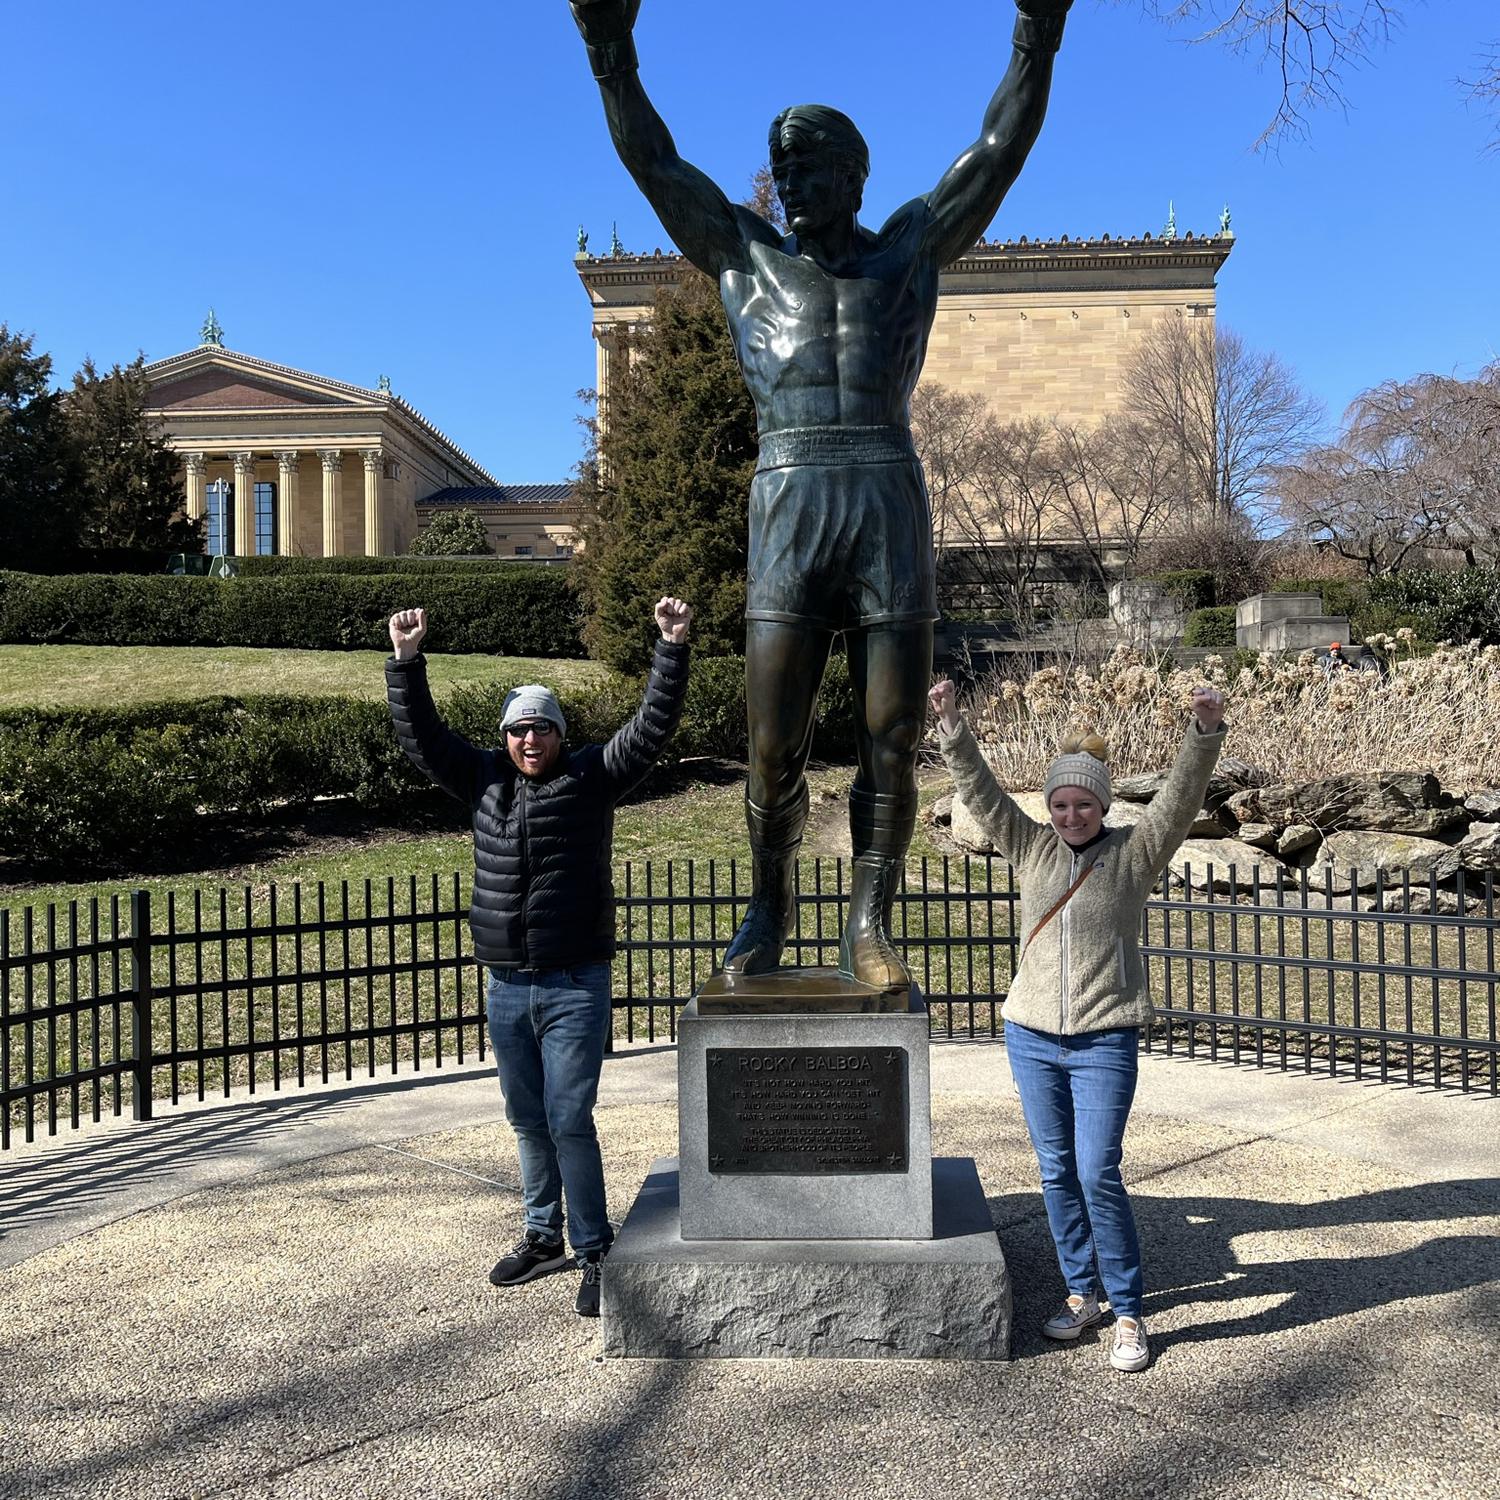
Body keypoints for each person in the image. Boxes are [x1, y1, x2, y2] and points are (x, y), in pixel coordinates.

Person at [568, 0, 1075, 989]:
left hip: (886, 488)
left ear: (853, 177)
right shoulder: (744, 258)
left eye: (810, 168)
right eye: (783, 168)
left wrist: (1037, 31)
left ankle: (870, 923)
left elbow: (997, 148)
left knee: (890, 731)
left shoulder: (911, 251)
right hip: (791, 492)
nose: (792, 183)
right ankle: (768, 905)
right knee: (771, 741)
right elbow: (654, 163)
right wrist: (609, 52)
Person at [386, 597, 692, 1317]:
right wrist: (407, 662)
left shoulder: (590, 779)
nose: (530, 739)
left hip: (574, 984)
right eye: (520, 728)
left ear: (559, 734)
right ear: (506, 735)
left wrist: (671, 645)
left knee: (567, 1118)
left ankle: (593, 1248)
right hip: (505, 986)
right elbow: (422, 738)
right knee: (526, 1119)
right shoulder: (484, 781)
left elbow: (650, 730)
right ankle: (541, 1234)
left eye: (542, 728)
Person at [928, 676, 1227, 1371]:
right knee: (1056, 1171)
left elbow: (1180, 801)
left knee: (1097, 1171)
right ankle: (1080, 1291)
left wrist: (1203, 732)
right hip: (1030, 1036)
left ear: (1102, 804)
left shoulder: (1132, 855)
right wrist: (951, 727)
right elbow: (980, 793)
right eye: (1060, 804)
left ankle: (1128, 1311)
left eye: (1083, 804)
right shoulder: (1029, 846)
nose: (1070, 816)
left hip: (1103, 1038)